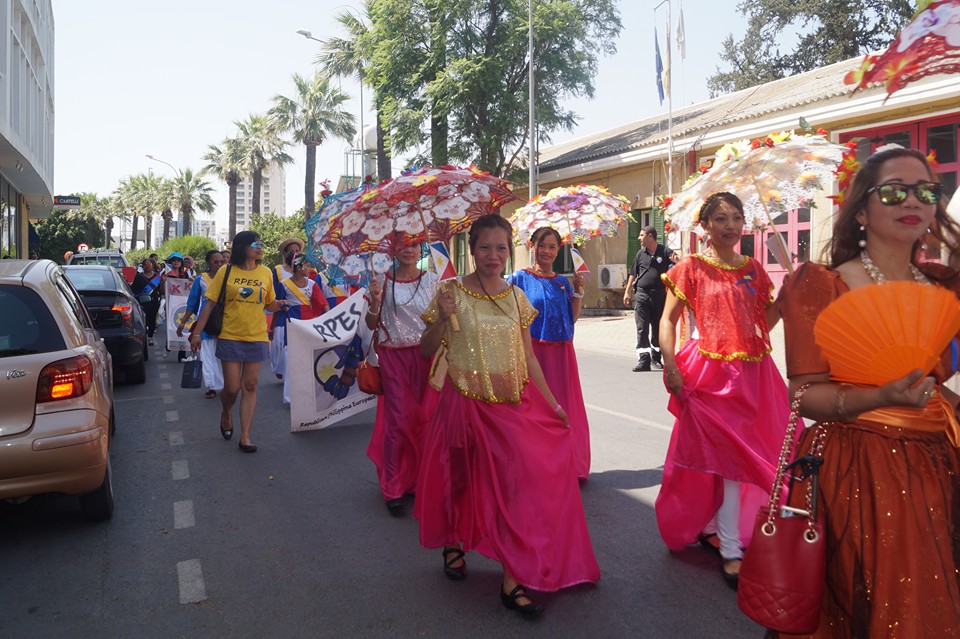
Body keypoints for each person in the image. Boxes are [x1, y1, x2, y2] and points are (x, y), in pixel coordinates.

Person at [776, 146, 960, 637]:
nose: (914, 201)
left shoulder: (946, 285)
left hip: (941, 464)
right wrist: (879, 397)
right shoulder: (820, 285)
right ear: (861, 209)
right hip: (857, 469)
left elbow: (942, 385)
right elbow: (803, 396)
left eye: (927, 191)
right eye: (895, 191)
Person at [417, 214, 600, 617]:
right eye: (485, 247)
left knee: (518, 483)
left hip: (511, 404)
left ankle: (512, 577)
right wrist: (442, 317)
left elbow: (528, 357)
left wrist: (553, 403)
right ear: (472, 248)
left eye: (501, 248)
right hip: (463, 402)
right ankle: (452, 542)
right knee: (461, 479)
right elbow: (428, 349)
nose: (493, 256)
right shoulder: (450, 292)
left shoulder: (517, 297)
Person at [657, 192, 789, 589]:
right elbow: (667, 321)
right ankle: (731, 549)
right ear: (706, 226)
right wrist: (670, 363)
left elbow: (763, 324)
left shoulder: (753, 268)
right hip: (709, 375)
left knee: (739, 458)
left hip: (753, 374)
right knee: (731, 462)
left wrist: (786, 300)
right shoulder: (691, 267)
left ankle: (716, 528)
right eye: (720, 219)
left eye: (736, 218)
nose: (730, 226)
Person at [506, 226, 591, 480]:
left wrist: (578, 291)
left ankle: (568, 465)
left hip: (562, 355)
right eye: (542, 245)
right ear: (531, 246)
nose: (547, 251)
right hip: (532, 353)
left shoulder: (563, 283)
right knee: (536, 408)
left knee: (565, 408)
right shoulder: (518, 279)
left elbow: (571, 319)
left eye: (552, 246)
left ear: (559, 250)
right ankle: (536, 464)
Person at [189, 231, 282, 453]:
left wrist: (278, 305)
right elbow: (210, 304)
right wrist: (196, 334)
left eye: (261, 244)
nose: (260, 247)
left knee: (250, 385)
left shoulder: (266, 273)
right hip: (230, 335)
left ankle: (246, 436)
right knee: (231, 388)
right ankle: (227, 411)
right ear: (243, 247)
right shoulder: (226, 270)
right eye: (255, 244)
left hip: (257, 336)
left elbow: (268, 304)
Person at [365, 244, 439, 515]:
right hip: (394, 357)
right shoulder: (381, 280)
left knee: (426, 419)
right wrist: (374, 300)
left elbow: (440, 319)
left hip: (428, 355)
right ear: (393, 249)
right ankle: (393, 487)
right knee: (398, 421)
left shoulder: (433, 280)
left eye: (415, 244)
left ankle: (421, 480)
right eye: (403, 244)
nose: (409, 250)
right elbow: (372, 324)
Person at [274, 253, 329, 404]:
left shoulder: (312, 284)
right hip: (291, 323)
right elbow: (276, 304)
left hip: (309, 324)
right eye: (308, 265)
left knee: (310, 358)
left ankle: (310, 394)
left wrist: (330, 317)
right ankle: (290, 397)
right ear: (299, 267)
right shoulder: (284, 284)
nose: (310, 268)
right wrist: (281, 306)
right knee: (291, 358)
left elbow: (323, 303)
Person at [624, 226, 676, 371]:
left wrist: (676, 260)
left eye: (641, 235)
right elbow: (633, 274)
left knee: (657, 328)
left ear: (650, 236)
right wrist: (627, 292)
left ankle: (656, 358)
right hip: (642, 295)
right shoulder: (640, 254)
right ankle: (643, 361)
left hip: (659, 295)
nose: (639, 238)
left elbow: (677, 262)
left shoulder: (664, 252)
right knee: (642, 328)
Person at [176, 250, 226, 398]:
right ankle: (211, 386)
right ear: (208, 263)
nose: (218, 264)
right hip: (206, 322)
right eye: (215, 262)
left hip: (225, 320)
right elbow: (192, 303)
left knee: (223, 355)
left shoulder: (227, 279)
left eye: (221, 262)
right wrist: (182, 323)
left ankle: (226, 384)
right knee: (207, 355)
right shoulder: (200, 280)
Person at [269, 237, 304, 380]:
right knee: (279, 344)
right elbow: (275, 295)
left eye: (297, 251)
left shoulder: (307, 271)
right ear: (286, 254)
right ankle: (280, 368)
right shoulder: (278, 270)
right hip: (283, 312)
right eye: (292, 251)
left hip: (301, 314)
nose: (295, 253)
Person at [162, 252, 191, 361]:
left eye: (178, 260)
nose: (176, 262)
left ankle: (182, 355)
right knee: (171, 326)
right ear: (170, 262)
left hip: (183, 303)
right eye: (174, 260)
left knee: (184, 326)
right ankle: (168, 346)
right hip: (171, 303)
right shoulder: (166, 273)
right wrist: (163, 282)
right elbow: (161, 291)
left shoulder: (185, 274)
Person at [132, 258, 162, 346]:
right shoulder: (139, 276)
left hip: (154, 302)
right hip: (141, 302)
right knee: (142, 320)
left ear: (153, 265)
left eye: (149, 264)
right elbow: (134, 289)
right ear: (143, 266)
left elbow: (161, 290)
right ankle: (143, 337)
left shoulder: (157, 277)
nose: (147, 266)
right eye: (145, 264)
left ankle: (150, 337)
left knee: (152, 319)